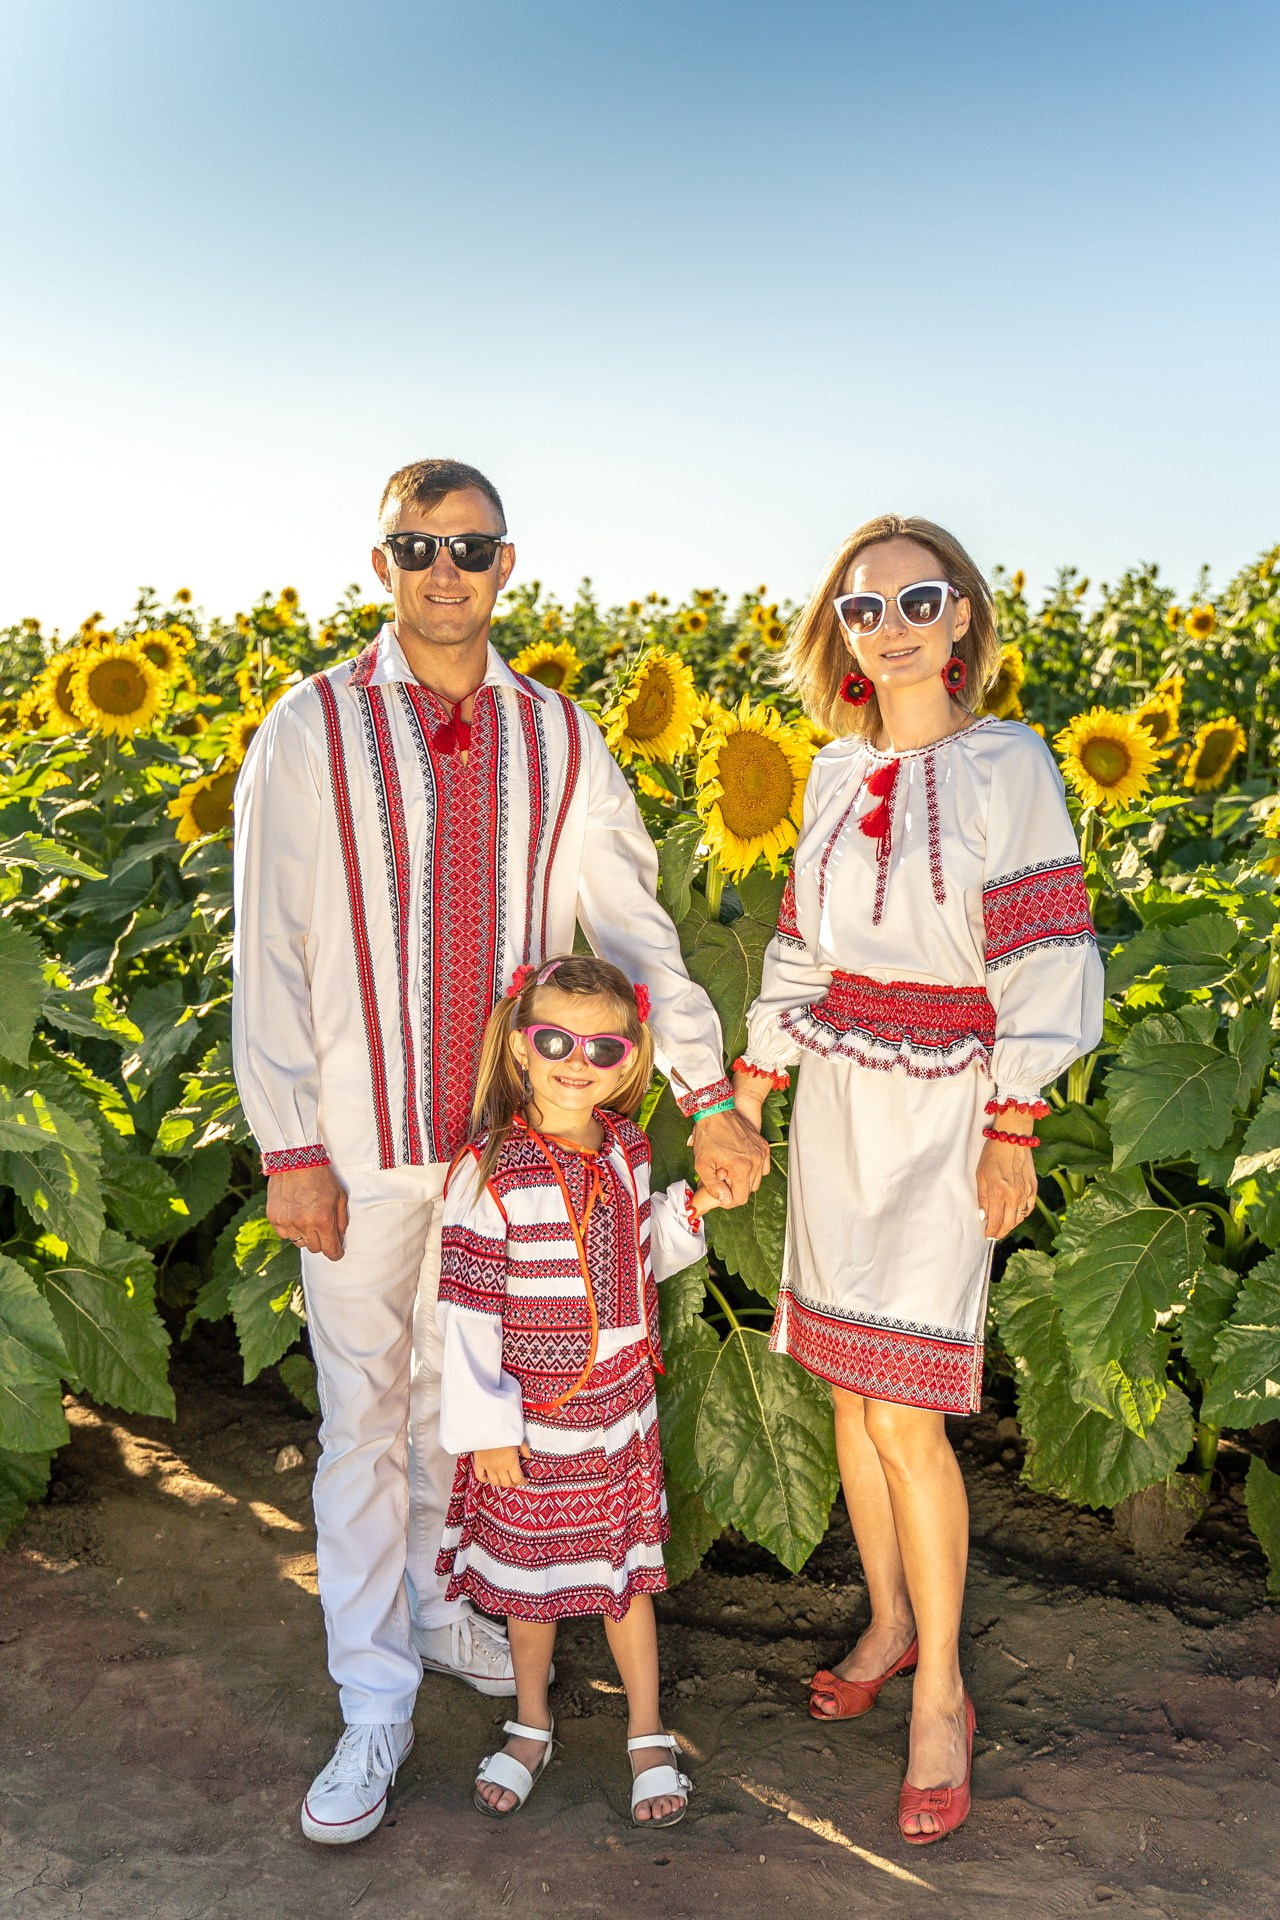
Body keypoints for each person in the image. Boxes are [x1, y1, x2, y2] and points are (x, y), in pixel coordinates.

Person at [231, 459, 769, 1844]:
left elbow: (633, 926)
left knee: (467, 1404)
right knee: (365, 1417)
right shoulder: (312, 726)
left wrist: (704, 1090)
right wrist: (290, 1142)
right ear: (382, 564)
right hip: (359, 1141)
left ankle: (442, 1610)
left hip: (505, 1154)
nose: (444, 573)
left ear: (505, 565)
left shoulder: (561, 738)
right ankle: (373, 1702)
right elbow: (270, 946)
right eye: (418, 548)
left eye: (469, 549)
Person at [733, 515, 1103, 1845]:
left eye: (915, 599)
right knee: (847, 1389)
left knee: (907, 1408)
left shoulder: (1010, 764)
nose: (886, 626)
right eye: (861, 606)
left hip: (950, 1106)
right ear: (838, 633)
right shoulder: (832, 773)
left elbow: (1045, 945)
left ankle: (941, 1691)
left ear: (961, 620)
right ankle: (889, 1620)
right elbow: (800, 948)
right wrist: (751, 1089)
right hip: (837, 1100)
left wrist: (1015, 1122)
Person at [436, 954, 715, 1826]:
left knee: (628, 1579)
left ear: (629, 1061)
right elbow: (467, 1313)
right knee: (532, 1584)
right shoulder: (488, 1171)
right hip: (531, 1428)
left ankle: (647, 1731)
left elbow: (640, 1256)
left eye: (602, 1048)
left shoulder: (629, 1151)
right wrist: (487, 1428)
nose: (576, 1062)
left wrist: (693, 1209)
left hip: (621, 1416)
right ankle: (531, 1723)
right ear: (521, 1046)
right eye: (555, 1041)